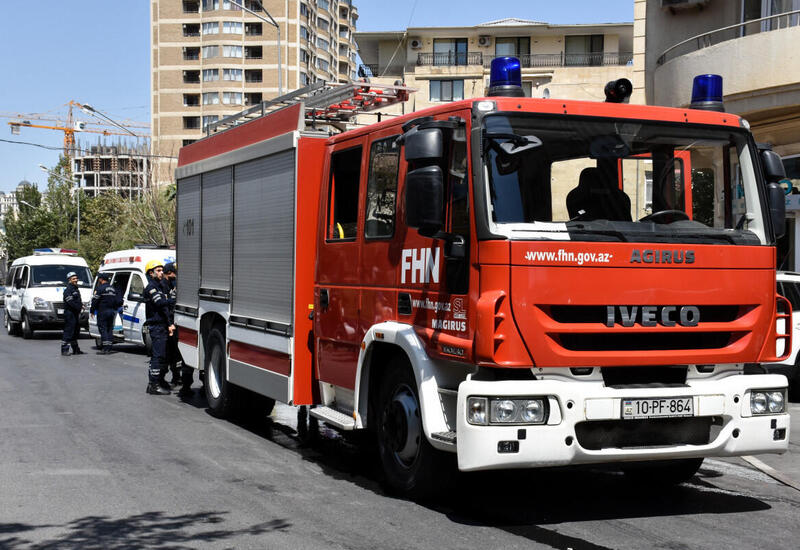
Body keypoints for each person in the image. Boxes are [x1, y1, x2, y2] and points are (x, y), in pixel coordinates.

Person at [143, 260, 174, 395]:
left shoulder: (161, 287)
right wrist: (172, 300)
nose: (161, 273)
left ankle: (159, 380)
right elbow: (161, 303)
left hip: (162, 325)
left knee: (163, 356)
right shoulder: (151, 288)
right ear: (151, 273)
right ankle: (153, 385)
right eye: (158, 270)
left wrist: (169, 324)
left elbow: (165, 309)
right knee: (157, 356)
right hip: (156, 326)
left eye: (162, 270)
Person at [161, 262, 185, 391]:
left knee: (176, 353)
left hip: (175, 322)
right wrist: (169, 323)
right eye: (174, 273)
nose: (176, 275)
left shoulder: (173, 284)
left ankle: (177, 377)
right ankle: (163, 379)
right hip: (167, 323)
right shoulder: (163, 286)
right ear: (170, 272)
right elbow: (164, 306)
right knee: (167, 353)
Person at [91, 272, 122, 355]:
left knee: (103, 329)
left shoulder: (100, 289)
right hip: (112, 312)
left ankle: (105, 349)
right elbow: (118, 301)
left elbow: (95, 300)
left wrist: (92, 311)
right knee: (109, 329)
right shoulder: (113, 289)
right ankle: (109, 348)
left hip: (103, 312)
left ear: (101, 279)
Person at [61, 272, 85, 356]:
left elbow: (77, 301)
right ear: (69, 280)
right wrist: (78, 307)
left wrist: (81, 305)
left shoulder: (75, 289)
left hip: (75, 313)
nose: (76, 280)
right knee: (69, 331)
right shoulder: (68, 290)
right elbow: (70, 302)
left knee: (75, 332)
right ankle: (64, 350)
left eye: (76, 278)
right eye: (73, 279)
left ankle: (76, 349)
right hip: (70, 313)